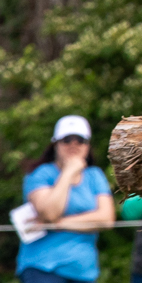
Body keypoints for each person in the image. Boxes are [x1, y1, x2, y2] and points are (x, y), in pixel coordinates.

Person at [17, 115, 114, 283]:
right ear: (55, 143)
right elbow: (50, 213)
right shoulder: (40, 174)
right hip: (42, 268)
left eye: (80, 140)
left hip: (84, 271)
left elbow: (106, 219)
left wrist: (59, 223)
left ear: (88, 145)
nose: (73, 145)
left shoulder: (95, 175)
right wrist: (68, 172)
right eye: (67, 140)